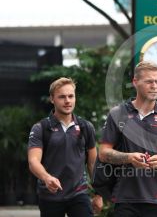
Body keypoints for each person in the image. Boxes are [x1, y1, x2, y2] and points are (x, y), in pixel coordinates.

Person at [99, 61, 157, 217]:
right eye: (149, 81)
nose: (155, 86)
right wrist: (129, 157)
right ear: (135, 82)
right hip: (125, 198)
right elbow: (103, 153)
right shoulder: (117, 114)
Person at [28, 77, 103, 217]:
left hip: (79, 194)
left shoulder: (86, 127)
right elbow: (33, 161)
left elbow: (93, 163)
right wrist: (46, 177)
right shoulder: (41, 128)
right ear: (52, 99)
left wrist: (99, 194)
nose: (67, 101)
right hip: (50, 195)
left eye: (71, 96)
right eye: (62, 97)